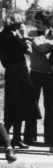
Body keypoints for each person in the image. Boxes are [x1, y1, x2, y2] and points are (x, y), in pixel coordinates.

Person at [0, 11, 41, 149]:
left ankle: (10, 136)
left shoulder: (2, 34)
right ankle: (11, 137)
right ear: (14, 23)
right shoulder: (12, 36)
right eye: (19, 22)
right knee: (20, 104)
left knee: (13, 105)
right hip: (19, 73)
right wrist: (23, 35)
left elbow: (0, 55)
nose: (22, 24)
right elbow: (27, 49)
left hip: (11, 72)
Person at [26, 11, 53, 144]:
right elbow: (40, 47)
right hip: (35, 73)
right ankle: (30, 136)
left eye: (38, 22)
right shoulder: (32, 34)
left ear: (46, 23)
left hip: (49, 75)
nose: (35, 25)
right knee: (32, 104)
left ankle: (49, 138)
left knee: (50, 106)